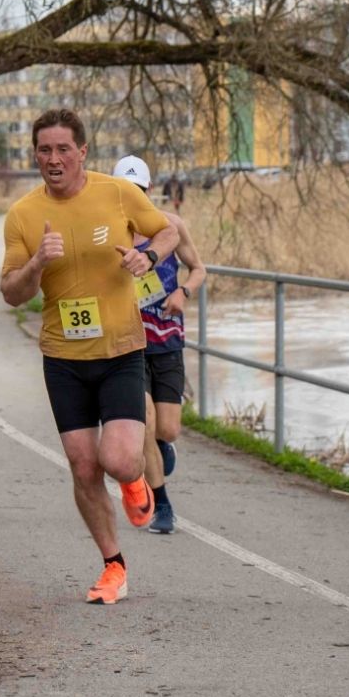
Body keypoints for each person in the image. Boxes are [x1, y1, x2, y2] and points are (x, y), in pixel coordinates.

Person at [0, 110, 179, 605]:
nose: (53, 159)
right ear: (34, 154)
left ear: (82, 152)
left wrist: (149, 257)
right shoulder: (23, 215)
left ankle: (135, 479)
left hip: (121, 348)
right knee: (82, 468)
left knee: (118, 459)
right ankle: (113, 566)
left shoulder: (118, 193)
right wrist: (37, 262)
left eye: (62, 149)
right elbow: (11, 293)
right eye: (44, 150)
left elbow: (167, 233)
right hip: (62, 357)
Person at [113, 157, 206, 535]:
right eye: (125, 191)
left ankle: (162, 450)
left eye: (138, 191)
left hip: (167, 340)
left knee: (167, 430)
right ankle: (162, 506)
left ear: (148, 191)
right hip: (128, 346)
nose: (132, 198)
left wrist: (184, 292)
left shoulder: (172, 225)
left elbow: (199, 269)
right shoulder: (110, 231)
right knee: (146, 425)